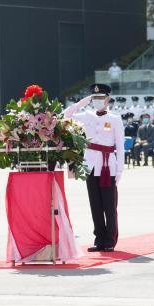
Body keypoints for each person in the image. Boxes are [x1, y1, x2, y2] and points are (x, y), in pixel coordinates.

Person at [64, 84, 125, 252]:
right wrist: (81, 103)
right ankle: (99, 239)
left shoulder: (114, 118)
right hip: (90, 165)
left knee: (109, 206)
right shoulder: (86, 115)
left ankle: (110, 240)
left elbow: (120, 146)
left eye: (100, 98)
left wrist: (120, 170)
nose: (98, 101)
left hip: (108, 167)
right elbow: (65, 116)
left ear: (107, 99)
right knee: (95, 205)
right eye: (95, 98)